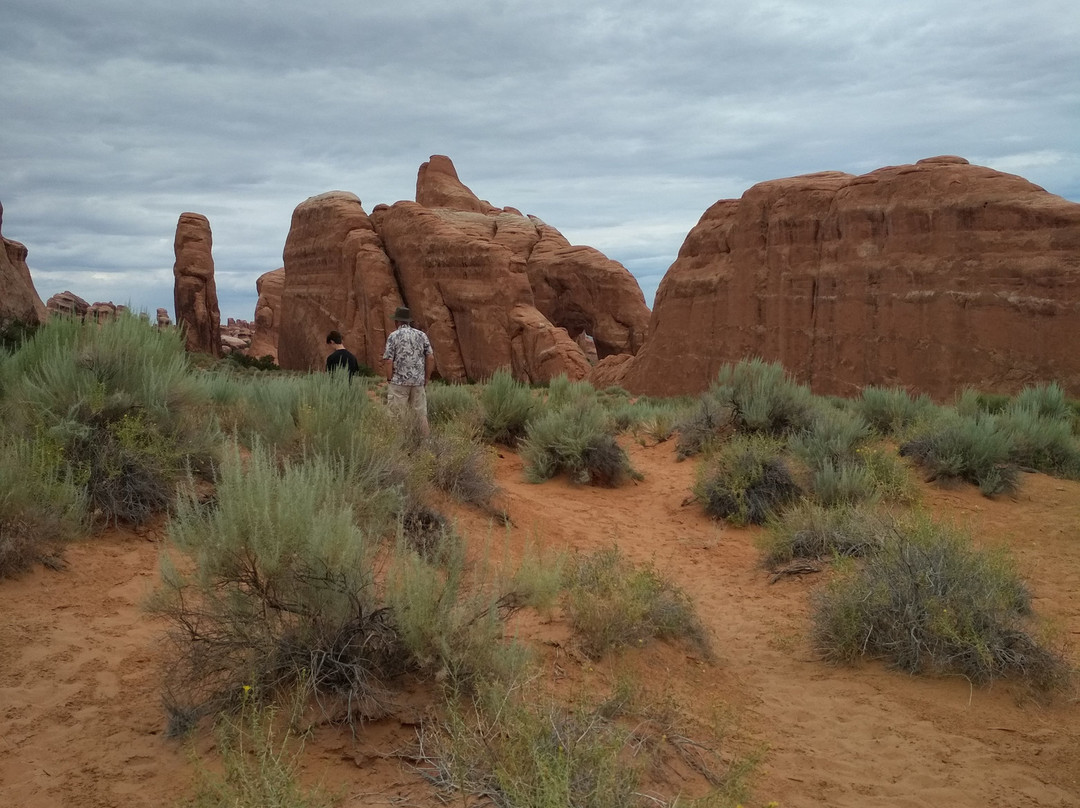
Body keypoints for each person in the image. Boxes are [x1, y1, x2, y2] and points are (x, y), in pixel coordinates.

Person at [381, 306, 435, 435]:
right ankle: (426, 444)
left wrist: (389, 378)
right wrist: (426, 378)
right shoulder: (421, 335)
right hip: (418, 382)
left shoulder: (393, 336)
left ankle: (398, 446)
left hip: (399, 382)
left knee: (396, 416)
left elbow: (388, 360)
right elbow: (431, 357)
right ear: (408, 321)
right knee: (421, 415)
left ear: (397, 322)